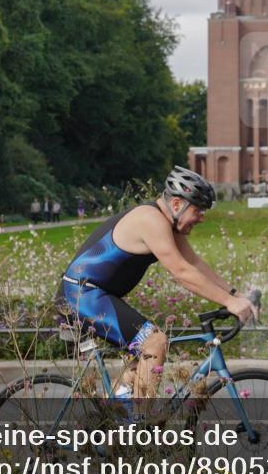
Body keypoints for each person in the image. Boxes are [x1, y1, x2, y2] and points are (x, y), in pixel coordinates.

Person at [57, 166, 257, 401]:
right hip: (81, 295)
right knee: (154, 343)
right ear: (176, 205)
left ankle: (116, 419)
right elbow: (181, 272)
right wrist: (229, 302)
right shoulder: (150, 219)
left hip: (95, 295)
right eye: (198, 210)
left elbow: (193, 263)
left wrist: (234, 294)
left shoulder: (169, 223)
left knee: (145, 357)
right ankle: (140, 427)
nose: (202, 218)